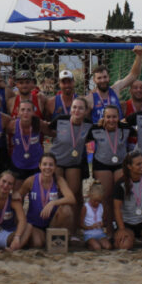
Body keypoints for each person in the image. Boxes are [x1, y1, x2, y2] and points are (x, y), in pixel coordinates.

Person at [50, 97, 92, 232]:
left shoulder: (89, 125)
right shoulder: (60, 120)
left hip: (74, 163)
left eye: (80, 108)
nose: (77, 110)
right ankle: (53, 226)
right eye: (74, 107)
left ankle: (73, 230)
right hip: (57, 162)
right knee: (56, 194)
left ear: (86, 111)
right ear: (70, 109)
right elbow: (46, 129)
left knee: (72, 196)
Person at [18, 153, 75, 248]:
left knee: (66, 209)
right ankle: (50, 239)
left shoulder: (59, 180)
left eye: (51, 165)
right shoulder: (31, 180)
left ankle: (58, 238)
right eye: (44, 164)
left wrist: (52, 203)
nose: (47, 167)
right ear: (39, 166)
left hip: (52, 223)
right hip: (35, 224)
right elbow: (19, 197)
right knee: (38, 244)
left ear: (55, 167)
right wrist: (21, 218)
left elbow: (71, 198)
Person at [88, 45, 142, 123]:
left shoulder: (115, 89)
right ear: (94, 80)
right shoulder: (90, 98)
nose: (103, 80)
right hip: (100, 130)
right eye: (99, 78)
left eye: (105, 77)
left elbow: (133, 75)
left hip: (118, 129)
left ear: (109, 77)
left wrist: (139, 56)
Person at [7, 100, 50, 181]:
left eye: (29, 110)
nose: (25, 112)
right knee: (18, 189)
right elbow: (4, 135)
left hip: (36, 163)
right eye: (22, 109)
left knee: (35, 187)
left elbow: (52, 133)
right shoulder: (12, 125)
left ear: (33, 112)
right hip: (18, 163)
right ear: (18, 111)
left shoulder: (39, 123)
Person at [80, 182, 111, 251]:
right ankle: (89, 244)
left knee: (108, 246)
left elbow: (105, 222)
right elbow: (81, 225)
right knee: (97, 247)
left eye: (99, 201)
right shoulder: (85, 207)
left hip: (100, 233)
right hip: (89, 234)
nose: (96, 203)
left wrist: (102, 224)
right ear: (90, 196)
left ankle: (95, 244)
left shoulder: (101, 207)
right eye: (94, 201)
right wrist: (91, 227)